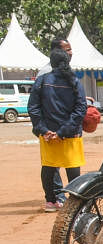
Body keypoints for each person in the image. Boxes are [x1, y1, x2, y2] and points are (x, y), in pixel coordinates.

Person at [30, 45, 86, 211]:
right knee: (72, 168)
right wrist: (63, 132)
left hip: (47, 133)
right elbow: (80, 109)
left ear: (51, 63)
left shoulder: (42, 80)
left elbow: (33, 107)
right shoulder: (74, 81)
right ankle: (75, 204)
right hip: (71, 133)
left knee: (48, 167)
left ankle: (51, 202)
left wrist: (43, 129)